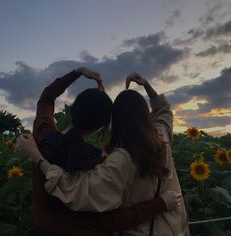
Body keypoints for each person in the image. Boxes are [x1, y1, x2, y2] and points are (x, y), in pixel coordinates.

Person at [28, 67, 182, 236]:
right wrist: (146, 85)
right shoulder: (160, 138)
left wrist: (77, 72)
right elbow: (163, 111)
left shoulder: (43, 135)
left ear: (72, 110)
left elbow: (46, 98)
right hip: (173, 228)